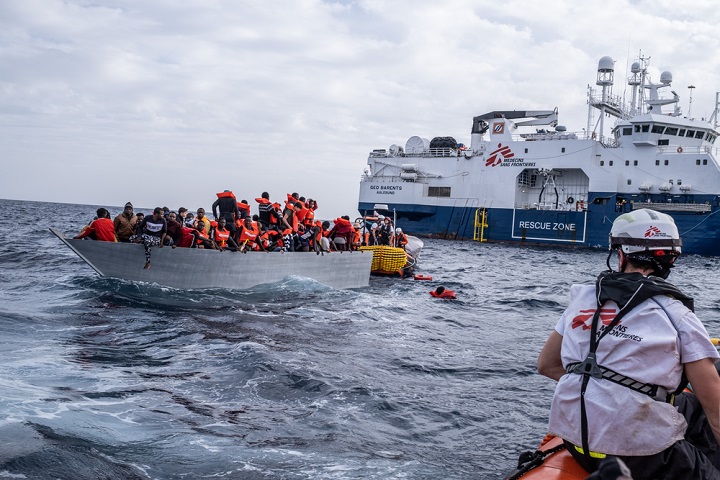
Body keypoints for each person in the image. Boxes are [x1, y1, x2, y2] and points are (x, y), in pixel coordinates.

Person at [537, 209, 720, 479]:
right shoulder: (677, 315)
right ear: (670, 260)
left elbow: (546, 365)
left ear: (620, 255)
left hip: (577, 445)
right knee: (705, 412)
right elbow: (714, 407)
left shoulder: (583, 300)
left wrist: (604, 391)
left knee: (689, 406)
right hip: (645, 458)